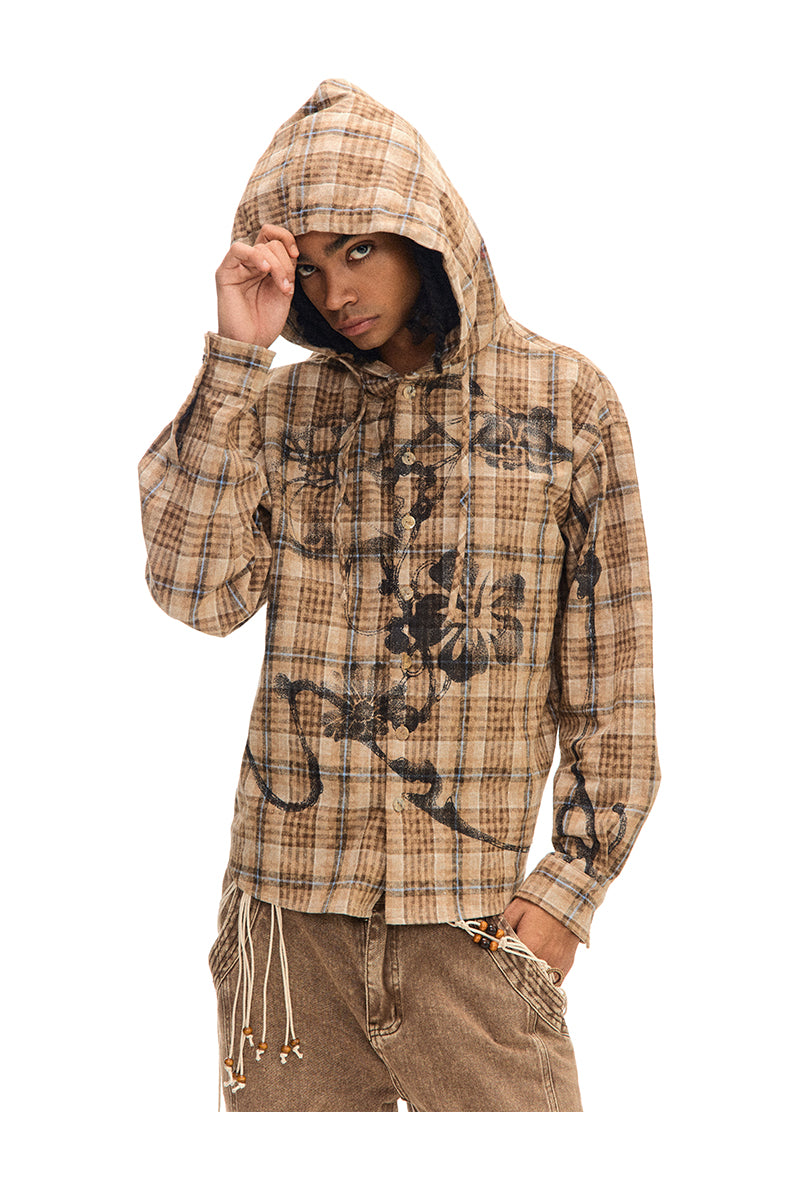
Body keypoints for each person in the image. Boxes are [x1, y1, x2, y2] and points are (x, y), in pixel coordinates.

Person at [138, 79, 659, 1112]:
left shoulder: (568, 405)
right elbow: (196, 592)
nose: (335, 292)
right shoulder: (280, 408)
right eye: (311, 266)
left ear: (427, 231)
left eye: (360, 249)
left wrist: (571, 889)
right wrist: (238, 355)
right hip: (288, 936)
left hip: (474, 930)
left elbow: (613, 684)